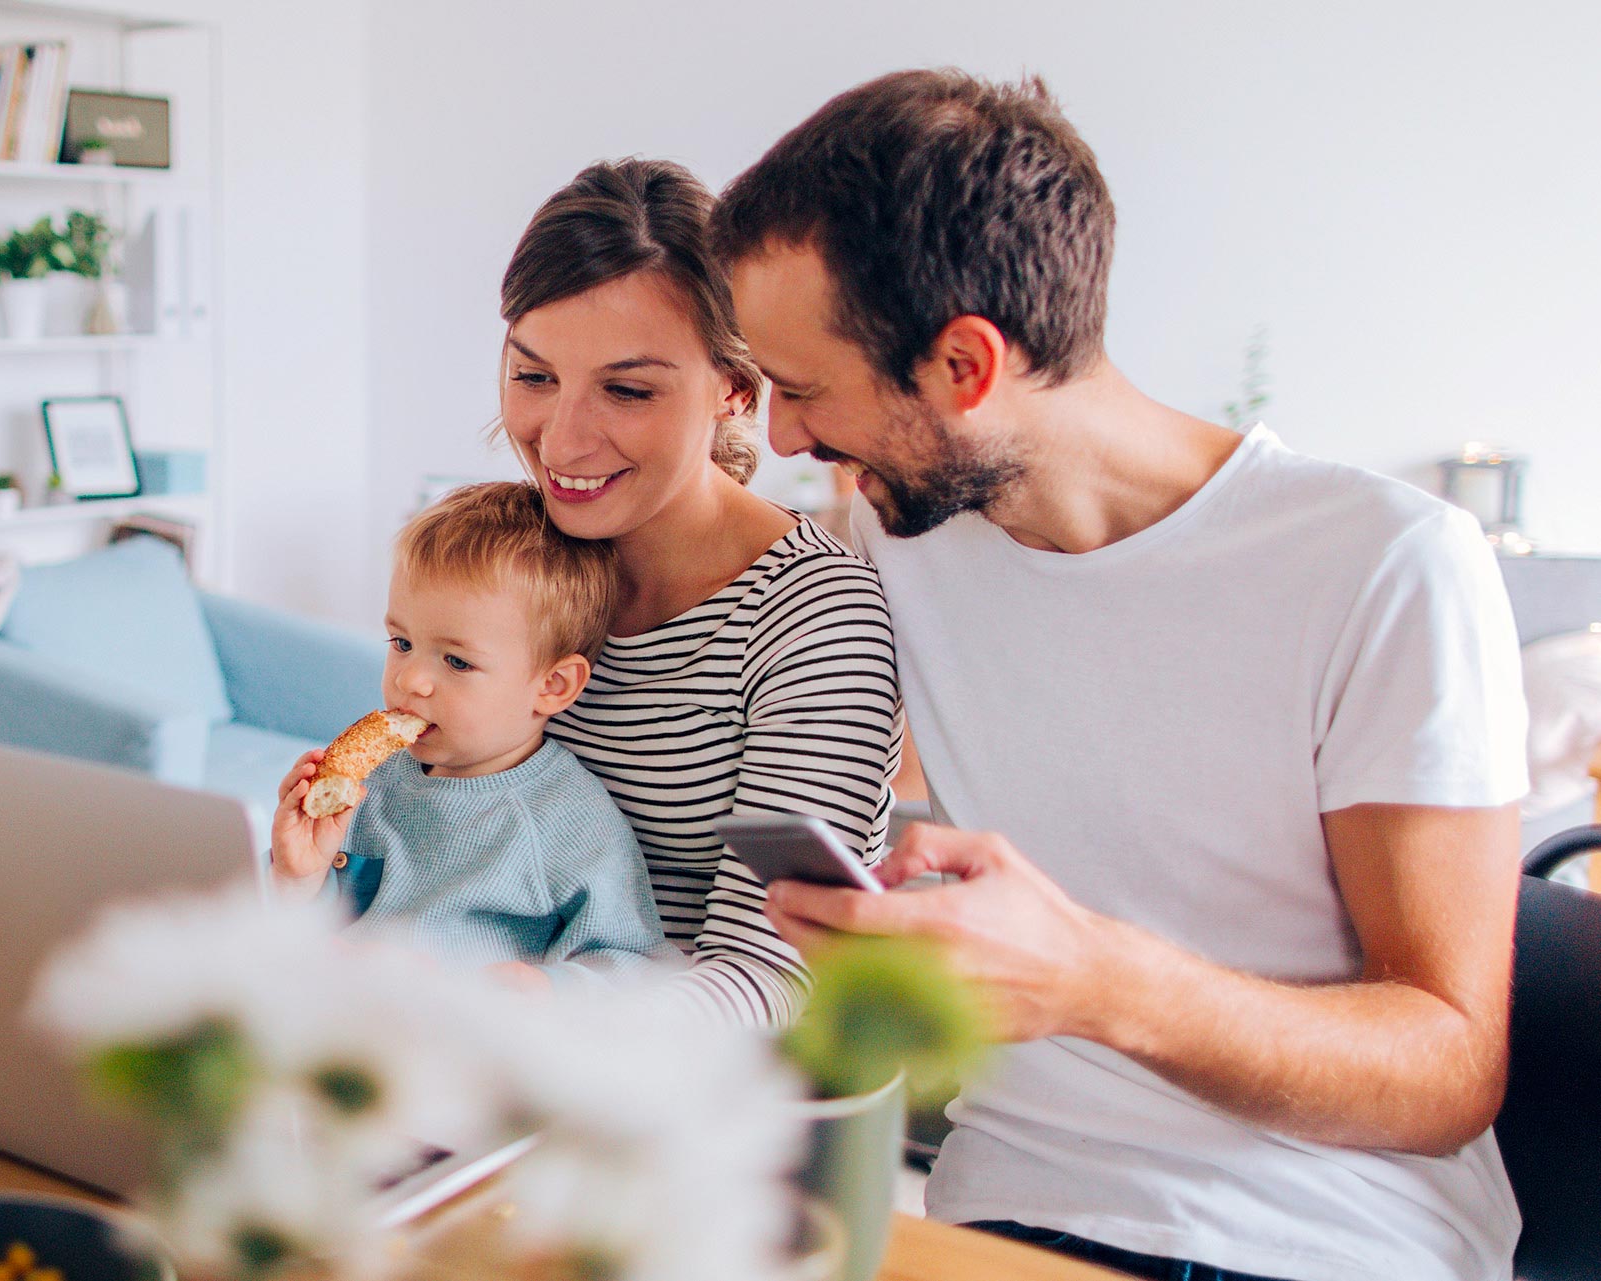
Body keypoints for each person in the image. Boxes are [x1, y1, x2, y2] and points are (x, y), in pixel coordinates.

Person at [724, 70, 1527, 1281]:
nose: (783, 437)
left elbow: (1448, 1071)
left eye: (805, 390)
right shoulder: (897, 542)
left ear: (963, 366)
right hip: (999, 1220)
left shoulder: (1384, 565)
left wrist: (1091, 978)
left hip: (1317, 1236)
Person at [501, 159, 903, 1026]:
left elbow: (770, 976)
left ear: (734, 389)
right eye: (534, 377)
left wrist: (545, 1014)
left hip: (682, 1098)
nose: (561, 441)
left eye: (627, 389)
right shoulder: (507, 559)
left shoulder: (814, 618)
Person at [269, 482, 667, 987]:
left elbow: (632, 967)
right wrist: (298, 877)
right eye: (402, 642)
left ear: (552, 685)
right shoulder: (373, 782)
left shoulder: (567, 819)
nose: (410, 679)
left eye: (457, 661)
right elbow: (294, 936)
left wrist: (543, 990)